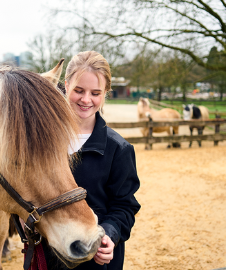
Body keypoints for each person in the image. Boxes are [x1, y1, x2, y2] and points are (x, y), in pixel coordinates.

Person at [45, 50, 142, 270]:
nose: (86, 99)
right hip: (47, 256)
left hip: (94, 260)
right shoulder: (42, 142)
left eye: (95, 93)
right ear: (67, 85)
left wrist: (109, 234)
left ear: (106, 93)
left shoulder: (119, 149)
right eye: (79, 90)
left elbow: (124, 207)